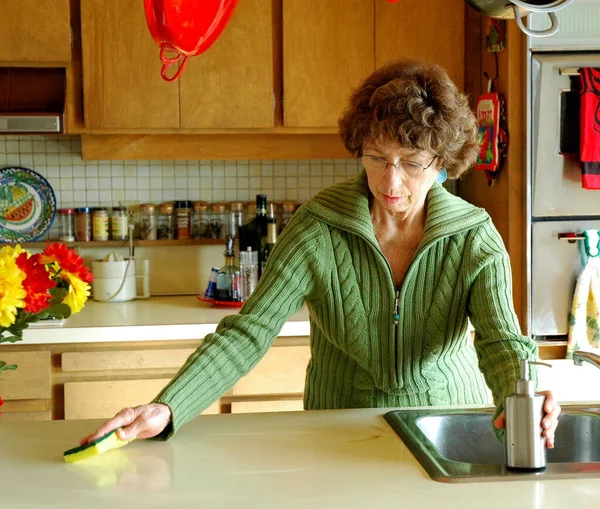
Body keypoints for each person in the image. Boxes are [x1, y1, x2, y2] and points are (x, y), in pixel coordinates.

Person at [82, 58, 560, 447]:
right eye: (377, 158)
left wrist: (522, 399)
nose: (391, 182)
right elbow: (248, 334)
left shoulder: (474, 237)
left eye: (411, 164)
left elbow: (501, 345)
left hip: (448, 424)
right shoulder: (317, 227)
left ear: (441, 162)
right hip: (337, 429)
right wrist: (169, 406)